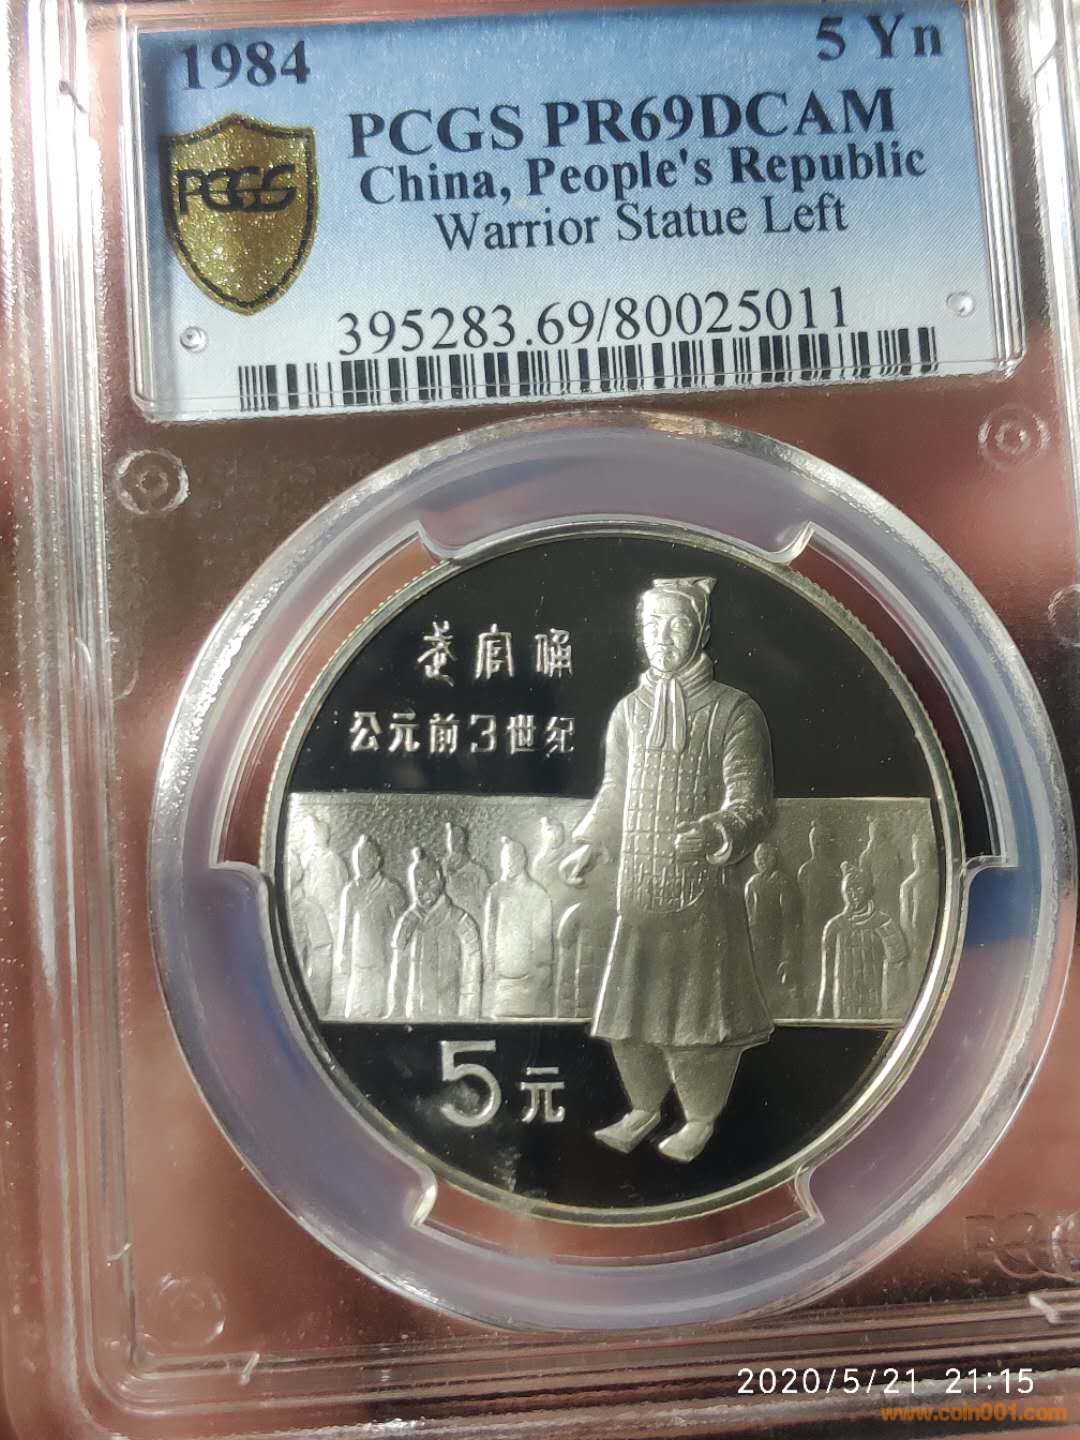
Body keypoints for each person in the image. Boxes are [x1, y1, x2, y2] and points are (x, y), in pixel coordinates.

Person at [560, 575, 775, 1164]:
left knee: (697, 1020)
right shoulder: (630, 711)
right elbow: (616, 789)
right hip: (638, 888)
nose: (662, 636)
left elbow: (752, 803)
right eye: (651, 624)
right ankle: (643, 1108)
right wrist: (591, 843)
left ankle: (700, 1119)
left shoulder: (734, 710)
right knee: (629, 1015)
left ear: (700, 630)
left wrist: (715, 831)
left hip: (702, 891)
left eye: (676, 623)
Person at [389, 849, 481, 1020]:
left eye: (430, 882)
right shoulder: (408, 922)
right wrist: (396, 1011)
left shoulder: (461, 921)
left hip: (449, 1014)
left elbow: (472, 975)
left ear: (442, 881)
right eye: (418, 883)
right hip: (414, 1016)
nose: (424, 889)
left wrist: (469, 1015)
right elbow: (398, 974)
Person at [819, 862, 908, 1019]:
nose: (854, 894)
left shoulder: (883, 923)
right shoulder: (835, 927)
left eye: (858, 888)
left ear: (867, 890)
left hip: (875, 1003)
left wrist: (891, 1005)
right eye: (849, 890)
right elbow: (828, 976)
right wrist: (824, 1011)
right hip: (843, 1005)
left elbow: (898, 965)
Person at [334, 835, 405, 1019]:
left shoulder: (391, 889)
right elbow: (346, 925)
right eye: (358, 859)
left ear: (377, 860)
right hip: (358, 961)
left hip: (382, 961)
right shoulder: (351, 890)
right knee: (355, 1013)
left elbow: (402, 926)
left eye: (366, 859)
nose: (361, 864)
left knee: (378, 1010)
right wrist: (343, 954)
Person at [482, 837, 554, 1017]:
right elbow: (489, 932)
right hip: (500, 982)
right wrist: (489, 966)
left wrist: (542, 972)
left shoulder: (537, 894)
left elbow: (543, 939)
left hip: (529, 982)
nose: (508, 864)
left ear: (523, 860)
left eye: (513, 859)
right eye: (505, 860)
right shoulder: (495, 892)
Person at [744, 841, 803, 1011]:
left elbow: (789, 917)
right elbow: (747, 914)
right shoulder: (751, 884)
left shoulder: (782, 882)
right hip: (756, 940)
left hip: (777, 938)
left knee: (778, 978)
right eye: (759, 857)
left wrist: (788, 949)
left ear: (774, 858)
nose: (762, 860)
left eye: (766, 857)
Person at [798, 822, 843, 1016]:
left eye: (824, 841)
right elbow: (802, 900)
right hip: (811, 926)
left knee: (832, 963)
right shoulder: (805, 870)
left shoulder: (835, 871)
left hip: (831, 924)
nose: (821, 844)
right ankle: (811, 1006)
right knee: (813, 963)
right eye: (817, 841)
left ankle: (828, 1006)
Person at [442, 820, 490, 926]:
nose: (452, 844)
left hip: (474, 921)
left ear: (463, 841)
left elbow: (486, 903)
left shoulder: (478, 873)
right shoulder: (442, 871)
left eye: (457, 840)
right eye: (451, 840)